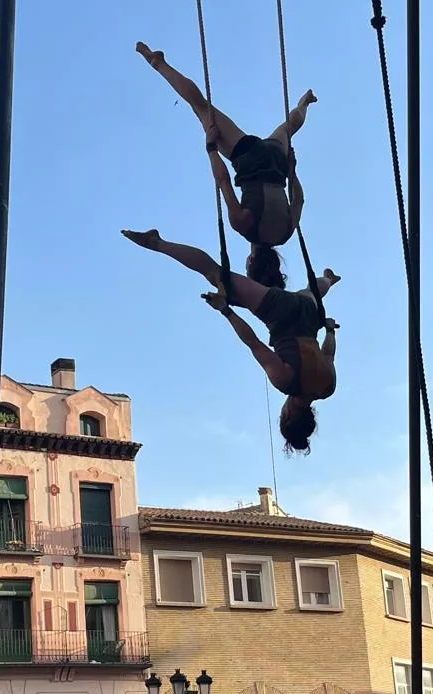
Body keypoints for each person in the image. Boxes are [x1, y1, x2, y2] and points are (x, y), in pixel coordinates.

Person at [121, 226, 339, 453]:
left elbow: (329, 353)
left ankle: (328, 280)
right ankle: (157, 243)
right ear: (289, 414)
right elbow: (253, 343)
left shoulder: (327, 387)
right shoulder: (286, 382)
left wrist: (330, 330)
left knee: (312, 292)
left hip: (310, 315)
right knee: (216, 273)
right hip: (280, 313)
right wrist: (226, 311)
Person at [134, 42, 315, 252]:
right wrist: (211, 147)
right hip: (249, 158)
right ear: (253, 259)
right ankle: (159, 64)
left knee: (287, 128)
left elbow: (299, 200)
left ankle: (305, 103)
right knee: (201, 107)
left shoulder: (285, 236)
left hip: (277, 163)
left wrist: (292, 171)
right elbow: (223, 180)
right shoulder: (244, 226)